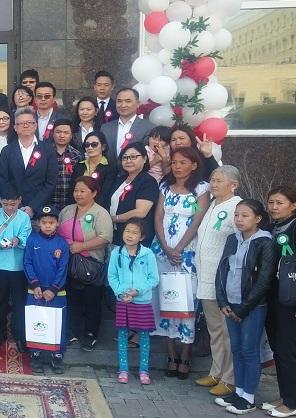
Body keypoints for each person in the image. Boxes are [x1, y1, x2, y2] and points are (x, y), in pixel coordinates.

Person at [151, 147, 209, 380]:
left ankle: (186, 354)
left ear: (194, 165)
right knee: (166, 300)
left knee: (186, 303)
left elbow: (197, 220)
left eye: (183, 162)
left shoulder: (201, 189)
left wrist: (179, 248)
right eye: (174, 162)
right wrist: (166, 247)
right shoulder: (165, 186)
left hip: (187, 253)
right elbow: (158, 217)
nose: (177, 166)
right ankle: (170, 354)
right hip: (162, 251)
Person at [214, 199, 275, 415]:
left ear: (258, 219)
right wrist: (222, 301)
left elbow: (264, 280)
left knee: (249, 351)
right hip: (230, 304)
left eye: (245, 215)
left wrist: (243, 309)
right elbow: (222, 270)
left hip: (252, 307)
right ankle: (238, 391)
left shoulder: (264, 242)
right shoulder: (233, 238)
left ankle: (249, 397)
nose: (239, 219)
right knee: (237, 349)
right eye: (237, 215)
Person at [194, 166, 242, 396]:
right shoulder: (212, 204)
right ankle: (216, 372)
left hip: (223, 279)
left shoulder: (237, 207)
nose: (213, 184)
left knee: (227, 331)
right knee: (214, 329)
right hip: (205, 276)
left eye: (219, 180)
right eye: (212, 180)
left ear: (234, 185)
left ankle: (230, 378)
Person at [59, 177, 114, 351]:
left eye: (83, 191)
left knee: (92, 301)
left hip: (91, 264)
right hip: (69, 263)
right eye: (76, 190)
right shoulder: (67, 210)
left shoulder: (100, 213)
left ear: (94, 193)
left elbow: (105, 238)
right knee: (72, 298)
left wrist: (81, 246)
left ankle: (91, 334)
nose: (78, 194)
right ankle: (72, 332)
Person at [263, 186, 296, 417]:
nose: (274, 207)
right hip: (273, 299)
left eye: (280, 203)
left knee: (287, 351)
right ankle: (284, 397)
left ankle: (293, 403)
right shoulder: (271, 228)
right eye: (271, 202)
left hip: (293, 301)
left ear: (293, 205)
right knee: (277, 350)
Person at [108, 218, 160, 385]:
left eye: (134, 233)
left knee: (143, 335)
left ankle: (144, 370)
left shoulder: (148, 254)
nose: (129, 235)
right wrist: (120, 292)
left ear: (141, 237)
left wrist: (138, 291)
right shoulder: (116, 253)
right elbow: (112, 276)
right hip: (123, 300)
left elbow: (153, 278)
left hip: (142, 301)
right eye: (127, 231)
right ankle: (123, 369)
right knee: (122, 334)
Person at [24, 205, 70, 374]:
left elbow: (63, 268)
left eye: (51, 222)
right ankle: (36, 355)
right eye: (44, 222)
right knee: (35, 322)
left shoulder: (62, 244)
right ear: (38, 223)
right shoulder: (32, 240)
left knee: (58, 323)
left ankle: (57, 356)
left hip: (57, 291)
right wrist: (35, 284)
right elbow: (27, 262)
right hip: (35, 290)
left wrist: (53, 289)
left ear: (57, 223)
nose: (48, 226)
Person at [0, 193, 32, 353]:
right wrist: (0, 243)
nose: (9, 208)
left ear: (19, 200)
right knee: (0, 301)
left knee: (19, 303)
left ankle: (19, 336)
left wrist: (18, 240)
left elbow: (26, 237)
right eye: (5, 204)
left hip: (18, 266)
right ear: (0, 201)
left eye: (13, 204)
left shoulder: (24, 217)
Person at [0, 107, 58, 218]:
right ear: (15, 127)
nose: (25, 126)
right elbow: (3, 180)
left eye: (29, 122)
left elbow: (51, 182)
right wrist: (16, 205)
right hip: (13, 211)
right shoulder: (7, 151)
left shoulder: (48, 150)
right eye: (21, 123)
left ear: (35, 125)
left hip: (41, 211)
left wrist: (33, 207)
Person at [110, 143, 160, 246]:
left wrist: (114, 219)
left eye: (133, 157)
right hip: (116, 234)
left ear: (144, 159)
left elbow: (140, 212)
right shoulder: (120, 179)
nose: (128, 161)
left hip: (136, 238)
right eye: (125, 158)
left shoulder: (148, 182)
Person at [100, 88, 153, 166]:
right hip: (109, 172)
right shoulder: (105, 128)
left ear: (138, 104)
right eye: (119, 101)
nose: (123, 105)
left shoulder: (148, 128)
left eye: (128, 101)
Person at [72, 132, 116, 210]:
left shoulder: (110, 167)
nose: (90, 147)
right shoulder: (79, 166)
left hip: (99, 210)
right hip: (77, 209)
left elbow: (105, 194)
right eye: (87, 145)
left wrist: (89, 210)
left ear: (103, 147)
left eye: (94, 144)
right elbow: (72, 190)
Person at [51, 118, 84, 210]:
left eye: (66, 133)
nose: (62, 135)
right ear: (53, 134)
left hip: (70, 203)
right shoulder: (45, 153)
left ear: (71, 135)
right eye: (58, 132)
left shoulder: (77, 155)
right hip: (49, 202)